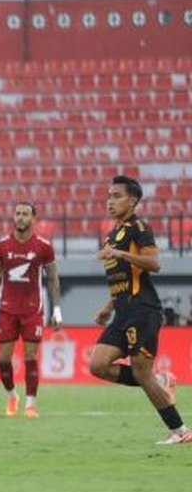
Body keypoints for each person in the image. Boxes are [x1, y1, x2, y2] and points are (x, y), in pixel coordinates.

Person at [88, 175, 189, 444]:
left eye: (117, 196)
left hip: (143, 310)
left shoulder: (139, 228)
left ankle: (180, 430)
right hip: (122, 313)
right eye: (108, 196)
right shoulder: (112, 235)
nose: (110, 201)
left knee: (141, 372)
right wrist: (108, 307)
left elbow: (154, 264)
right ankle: (160, 381)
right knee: (97, 365)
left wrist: (121, 254)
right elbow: (122, 277)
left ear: (132, 201)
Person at [0, 201, 62, 417]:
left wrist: (57, 310)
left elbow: (53, 279)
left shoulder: (44, 247)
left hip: (33, 310)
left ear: (34, 219)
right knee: (3, 359)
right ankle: (12, 396)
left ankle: (30, 404)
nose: (20, 218)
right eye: (17, 213)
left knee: (30, 356)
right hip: (7, 309)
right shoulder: (1, 246)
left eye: (25, 214)